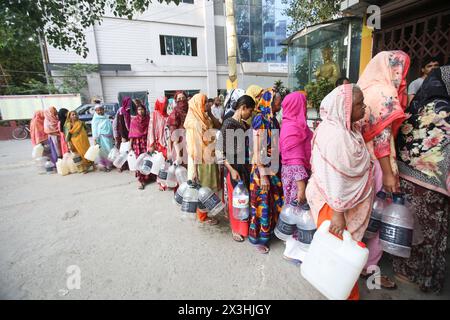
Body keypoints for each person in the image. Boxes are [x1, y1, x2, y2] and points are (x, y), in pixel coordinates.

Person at [305, 84, 373, 300]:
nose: (364, 107)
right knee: (341, 255)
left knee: (339, 254)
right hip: (333, 206)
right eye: (359, 104)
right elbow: (333, 179)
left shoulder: (348, 130)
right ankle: (345, 295)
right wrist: (337, 212)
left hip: (343, 206)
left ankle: (335, 290)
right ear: (344, 108)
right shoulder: (335, 136)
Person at [392, 66, 450, 293]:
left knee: (406, 226)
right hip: (434, 189)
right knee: (428, 234)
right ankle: (424, 277)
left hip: (405, 181)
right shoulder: (445, 113)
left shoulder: (414, 111)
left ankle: (402, 270)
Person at [357, 50, 411, 289]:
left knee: (363, 214)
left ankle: (355, 260)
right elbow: (381, 138)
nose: (402, 77)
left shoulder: (364, 90)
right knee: (382, 213)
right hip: (380, 163)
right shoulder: (385, 92)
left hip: (361, 162)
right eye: (400, 71)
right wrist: (389, 173)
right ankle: (370, 269)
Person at [249, 89, 284, 254]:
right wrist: (263, 175)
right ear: (269, 102)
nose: (280, 104)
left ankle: (269, 232)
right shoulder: (260, 120)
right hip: (261, 171)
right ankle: (258, 240)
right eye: (278, 101)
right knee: (262, 205)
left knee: (272, 202)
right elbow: (257, 150)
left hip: (273, 168)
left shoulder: (274, 121)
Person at [218, 95, 256, 242]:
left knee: (243, 198)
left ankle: (244, 227)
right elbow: (220, 150)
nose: (250, 114)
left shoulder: (243, 125)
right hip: (233, 167)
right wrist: (232, 170)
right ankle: (236, 229)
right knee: (236, 198)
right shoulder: (229, 124)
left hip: (243, 166)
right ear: (243, 108)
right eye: (250, 111)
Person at [184, 93, 220, 225]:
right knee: (202, 187)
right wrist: (194, 169)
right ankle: (202, 215)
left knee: (208, 187)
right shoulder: (193, 122)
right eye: (204, 103)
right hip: (199, 160)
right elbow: (194, 146)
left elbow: (218, 125)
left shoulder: (204, 116)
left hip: (209, 156)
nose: (207, 105)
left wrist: (210, 113)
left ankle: (206, 211)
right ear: (198, 104)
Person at [279, 92, 313, 206]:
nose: (306, 107)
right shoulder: (292, 128)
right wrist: (301, 189)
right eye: (304, 104)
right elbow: (295, 161)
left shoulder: (296, 124)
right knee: (296, 214)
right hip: (296, 181)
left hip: (300, 177)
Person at [129, 99, 153, 189]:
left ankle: (148, 176)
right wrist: (130, 145)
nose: (141, 111)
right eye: (139, 109)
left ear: (145, 110)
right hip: (138, 143)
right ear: (137, 111)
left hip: (147, 142)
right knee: (139, 160)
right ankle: (141, 180)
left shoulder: (148, 119)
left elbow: (151, 131)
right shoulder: (134, 120)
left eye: (142, 109)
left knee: (148, 159)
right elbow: (131, 133)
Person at [147, 96, 170, 190]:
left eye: (167, 104)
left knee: (166, 163)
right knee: (161, 163)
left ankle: (166, 181)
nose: (166, 106)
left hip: (167, 142)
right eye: (164, 104)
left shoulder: (167, 115)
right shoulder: (154, 114)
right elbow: (151, 129)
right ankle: (161, 182)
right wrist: (151, 143)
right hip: (158, 143)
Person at [168, 91, 189, 165]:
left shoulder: (190, 110)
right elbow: (174, 133)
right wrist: (178, 154)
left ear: (186, 98)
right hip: (180, 142)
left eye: (183, 98)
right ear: (176, 100)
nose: (181, 100)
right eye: (179, 98)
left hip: (190, 139)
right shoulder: (175, 112)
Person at [92, 104, 114, 172]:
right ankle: (105, 165)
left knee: (109, 150)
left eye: (101, 109)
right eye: (98, 110)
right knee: (103, 151)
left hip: (109, 137)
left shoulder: (106, 116)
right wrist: (95, 138)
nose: (99, 111)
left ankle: (110, 163)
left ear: (103, 110)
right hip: (101, 137)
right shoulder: (95, 119)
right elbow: (94, 129)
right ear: (95, 111)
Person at [113, 96, 132, 171]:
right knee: (123, 151)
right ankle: (121, 165)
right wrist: (120, 135)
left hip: (131, 132)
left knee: (129, 149)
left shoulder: (130, 110)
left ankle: (129, 164)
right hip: (123, 134)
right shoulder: (121, 111)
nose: (129, 104)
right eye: (128, 102)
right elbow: (118, 124)